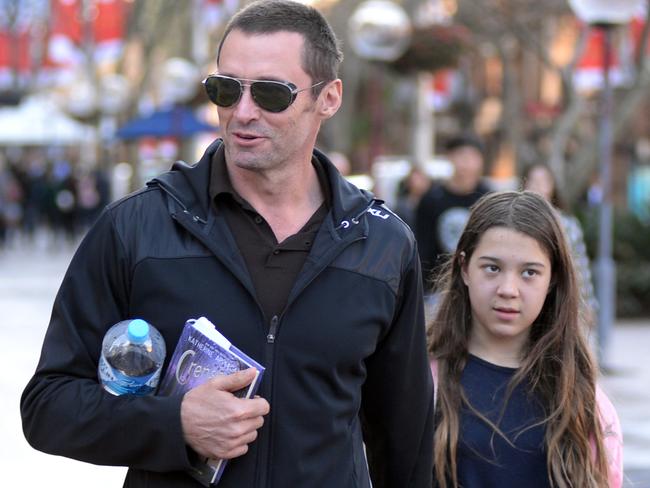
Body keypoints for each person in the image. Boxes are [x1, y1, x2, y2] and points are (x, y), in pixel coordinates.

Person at [20, 2, 434, 487]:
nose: (241, 112)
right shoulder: (135, 228)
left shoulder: (383, 243)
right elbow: (48, 406)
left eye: (270, 93)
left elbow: (404, 441)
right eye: (225, 89)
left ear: (328, 98)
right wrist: (173, 423)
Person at [427, 191, 623, 488]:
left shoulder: (583, 399)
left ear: (552, 279)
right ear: (465, 268)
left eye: (529, 272)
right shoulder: (422, 380)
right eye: (492, 268)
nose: (508, 289)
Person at [522, 162, 598, 326]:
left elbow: (580, 267)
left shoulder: (568, 225)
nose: (538, 186)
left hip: (560, 300)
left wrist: (588, 305)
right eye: (533, 181)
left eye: (544, 181)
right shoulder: (515, 224)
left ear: (553, 186)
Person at [414, 134, 490, 291]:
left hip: (479, 283)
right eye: (461, 155)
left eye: (472, 156)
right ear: (449, 158)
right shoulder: (432, 198)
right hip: (438, 285)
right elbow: (422, 246)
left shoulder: (488, 197)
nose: (467, 162)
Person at [393, 165, 432, 230]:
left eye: (422, 180)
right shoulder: (402, 205)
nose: (419, 183)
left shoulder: (433, 202)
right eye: (416, 180)